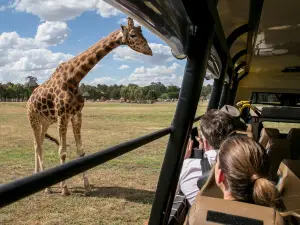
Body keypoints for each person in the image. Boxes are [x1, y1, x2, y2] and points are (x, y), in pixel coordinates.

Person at [177, 109, 235, 205]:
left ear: (205, 141)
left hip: (202, 217)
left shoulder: (187, 167)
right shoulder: (244, 161)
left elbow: (173, 194)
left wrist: (183, 162)